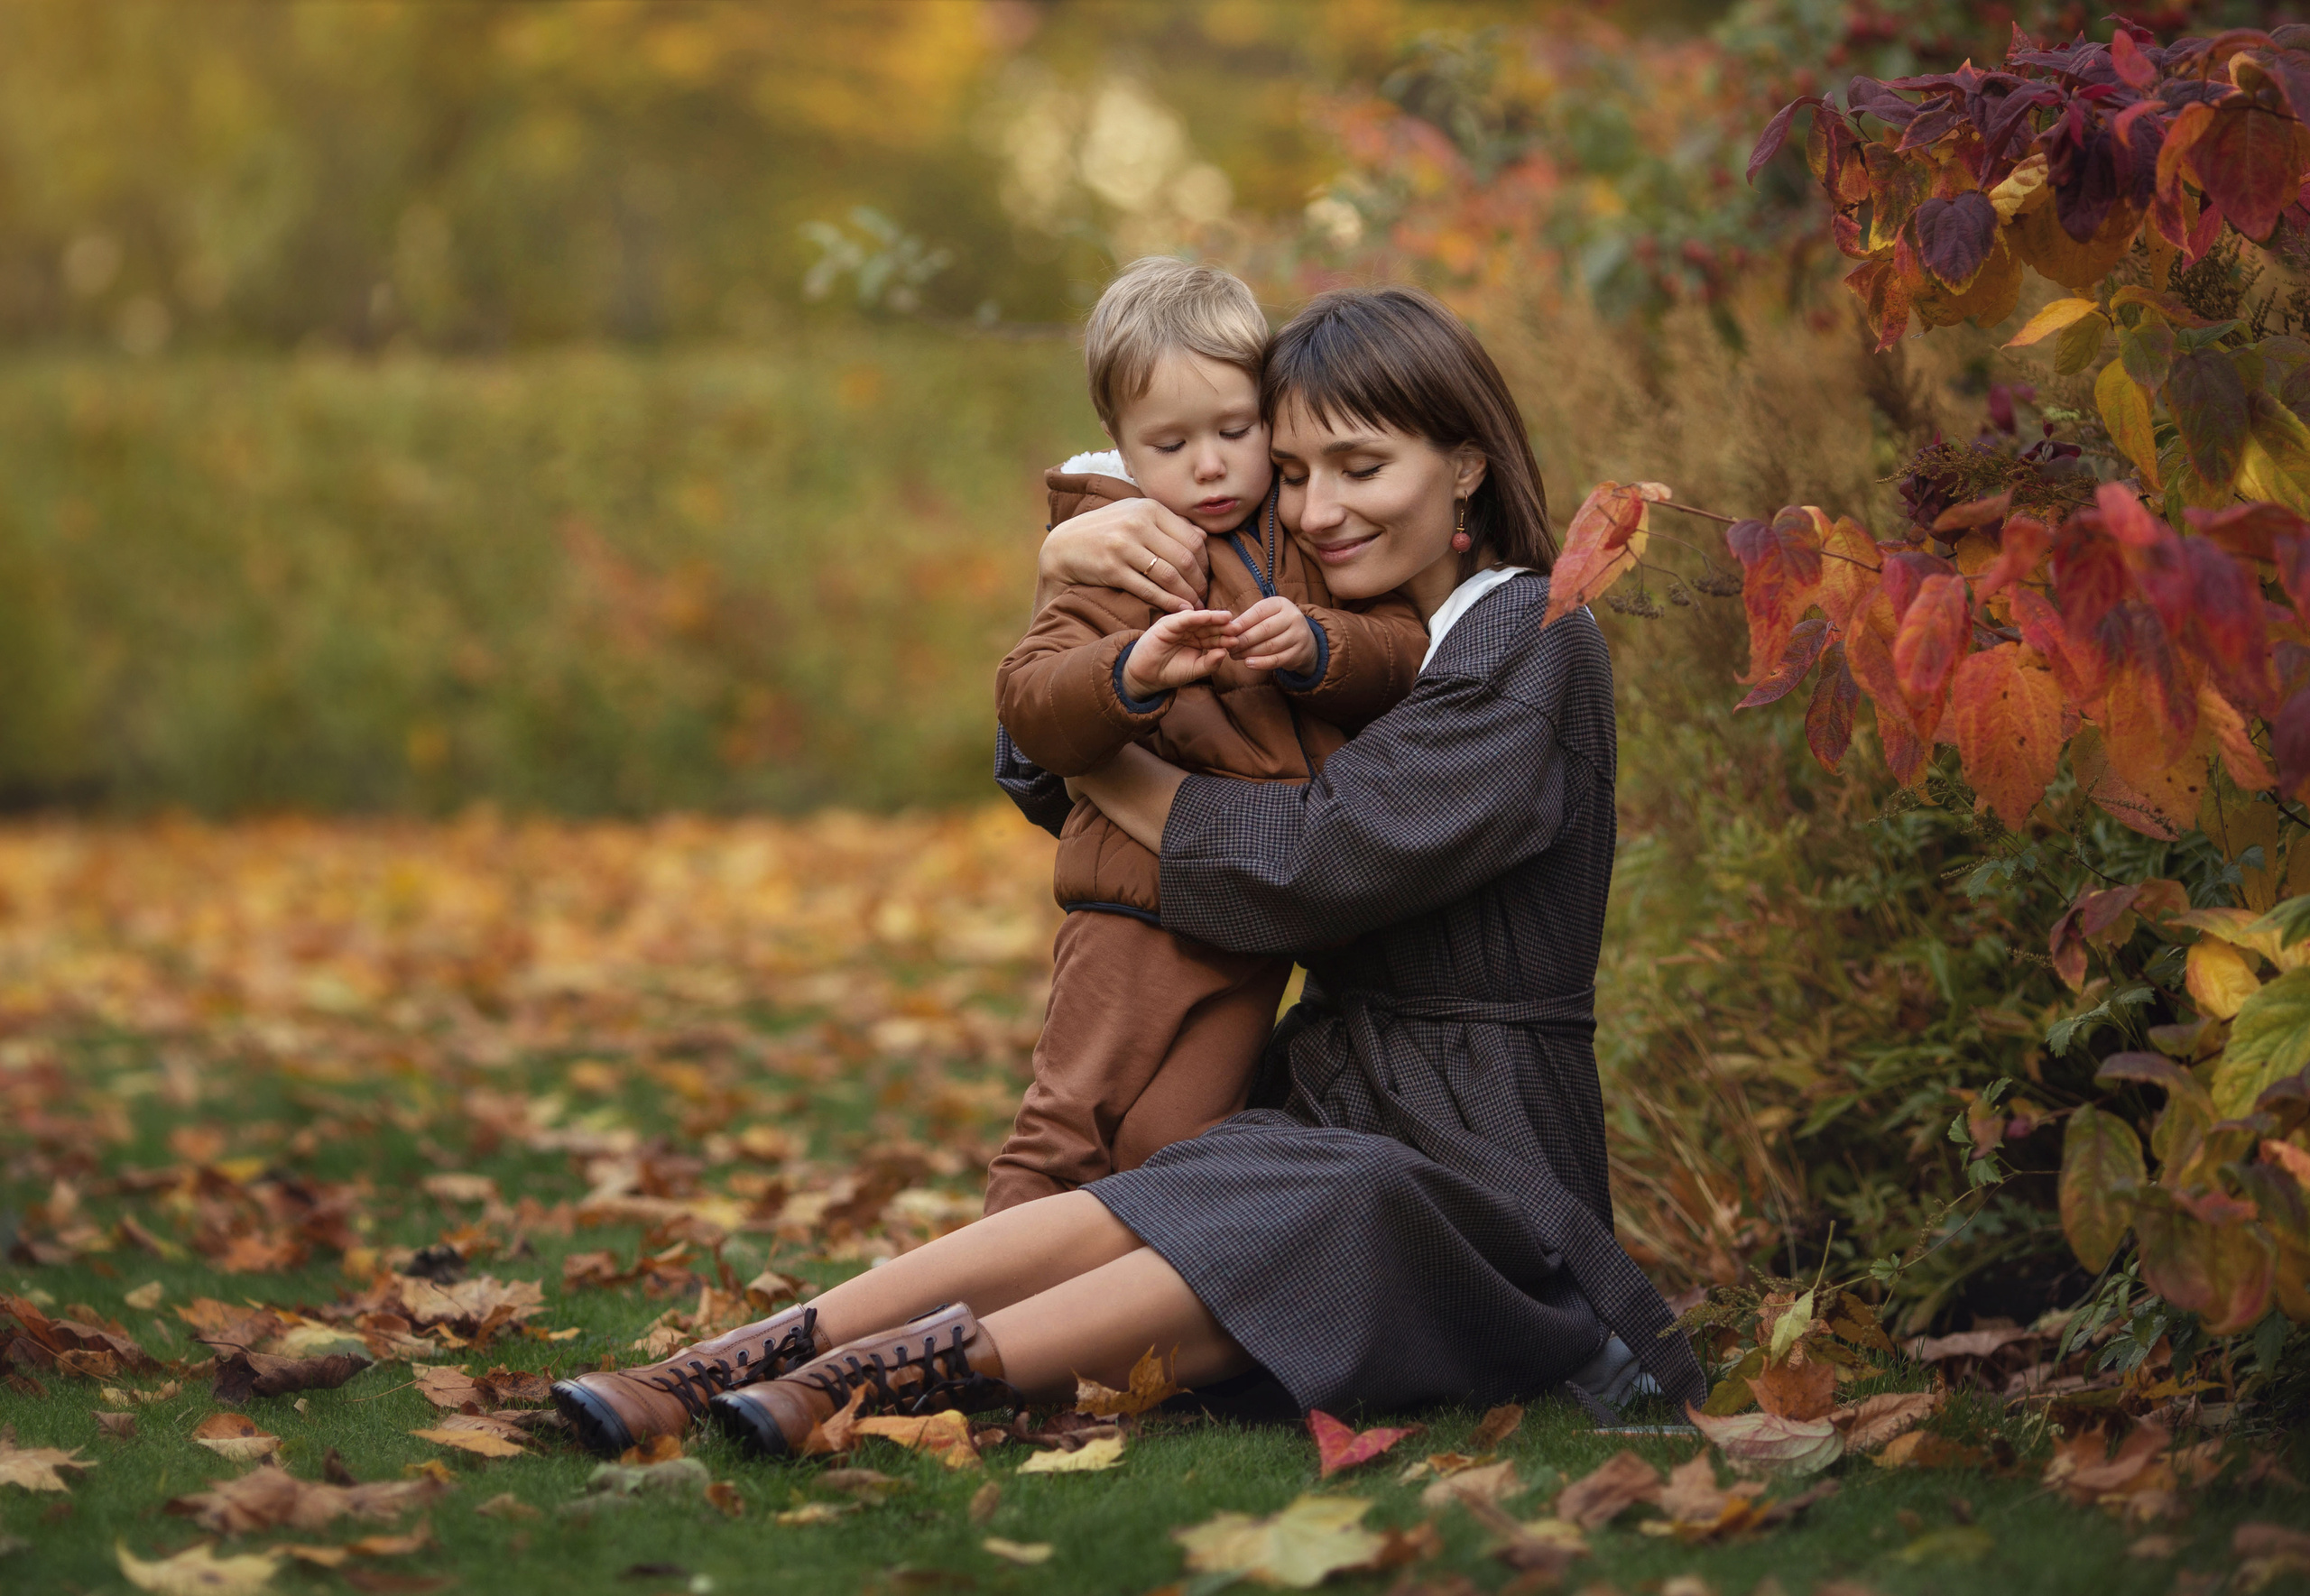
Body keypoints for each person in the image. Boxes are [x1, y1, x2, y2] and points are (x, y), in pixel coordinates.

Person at [551, 285, 1704, 1462]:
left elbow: (1315, 857)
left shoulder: (1530, 635)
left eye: (1362, 467)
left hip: (1484, 1143)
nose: (1320, 507)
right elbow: (1069, 739)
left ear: (1465, 465)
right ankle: (711, 1369)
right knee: (1154, 1200)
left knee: (1323, 1205)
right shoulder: (1330, 627)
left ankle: (860, 1381)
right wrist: (1075, 565)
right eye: (1296, 471)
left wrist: (1104, 766)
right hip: (1341, 1094)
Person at [987, 256, 1428, 1213]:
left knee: (1174, 1146)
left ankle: (1119, 1348)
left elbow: (1407, 650)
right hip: (1134, 906)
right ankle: (964, 1329)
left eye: (1235, 429)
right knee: (1069, 1124)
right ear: (1122, 446)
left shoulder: (1311, 533)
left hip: (1257, 912)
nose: (1211, 464)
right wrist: (1129, 673)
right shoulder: (1119, 551)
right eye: (1171, 442)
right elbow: (1026, 697)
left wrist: (1318, 645)